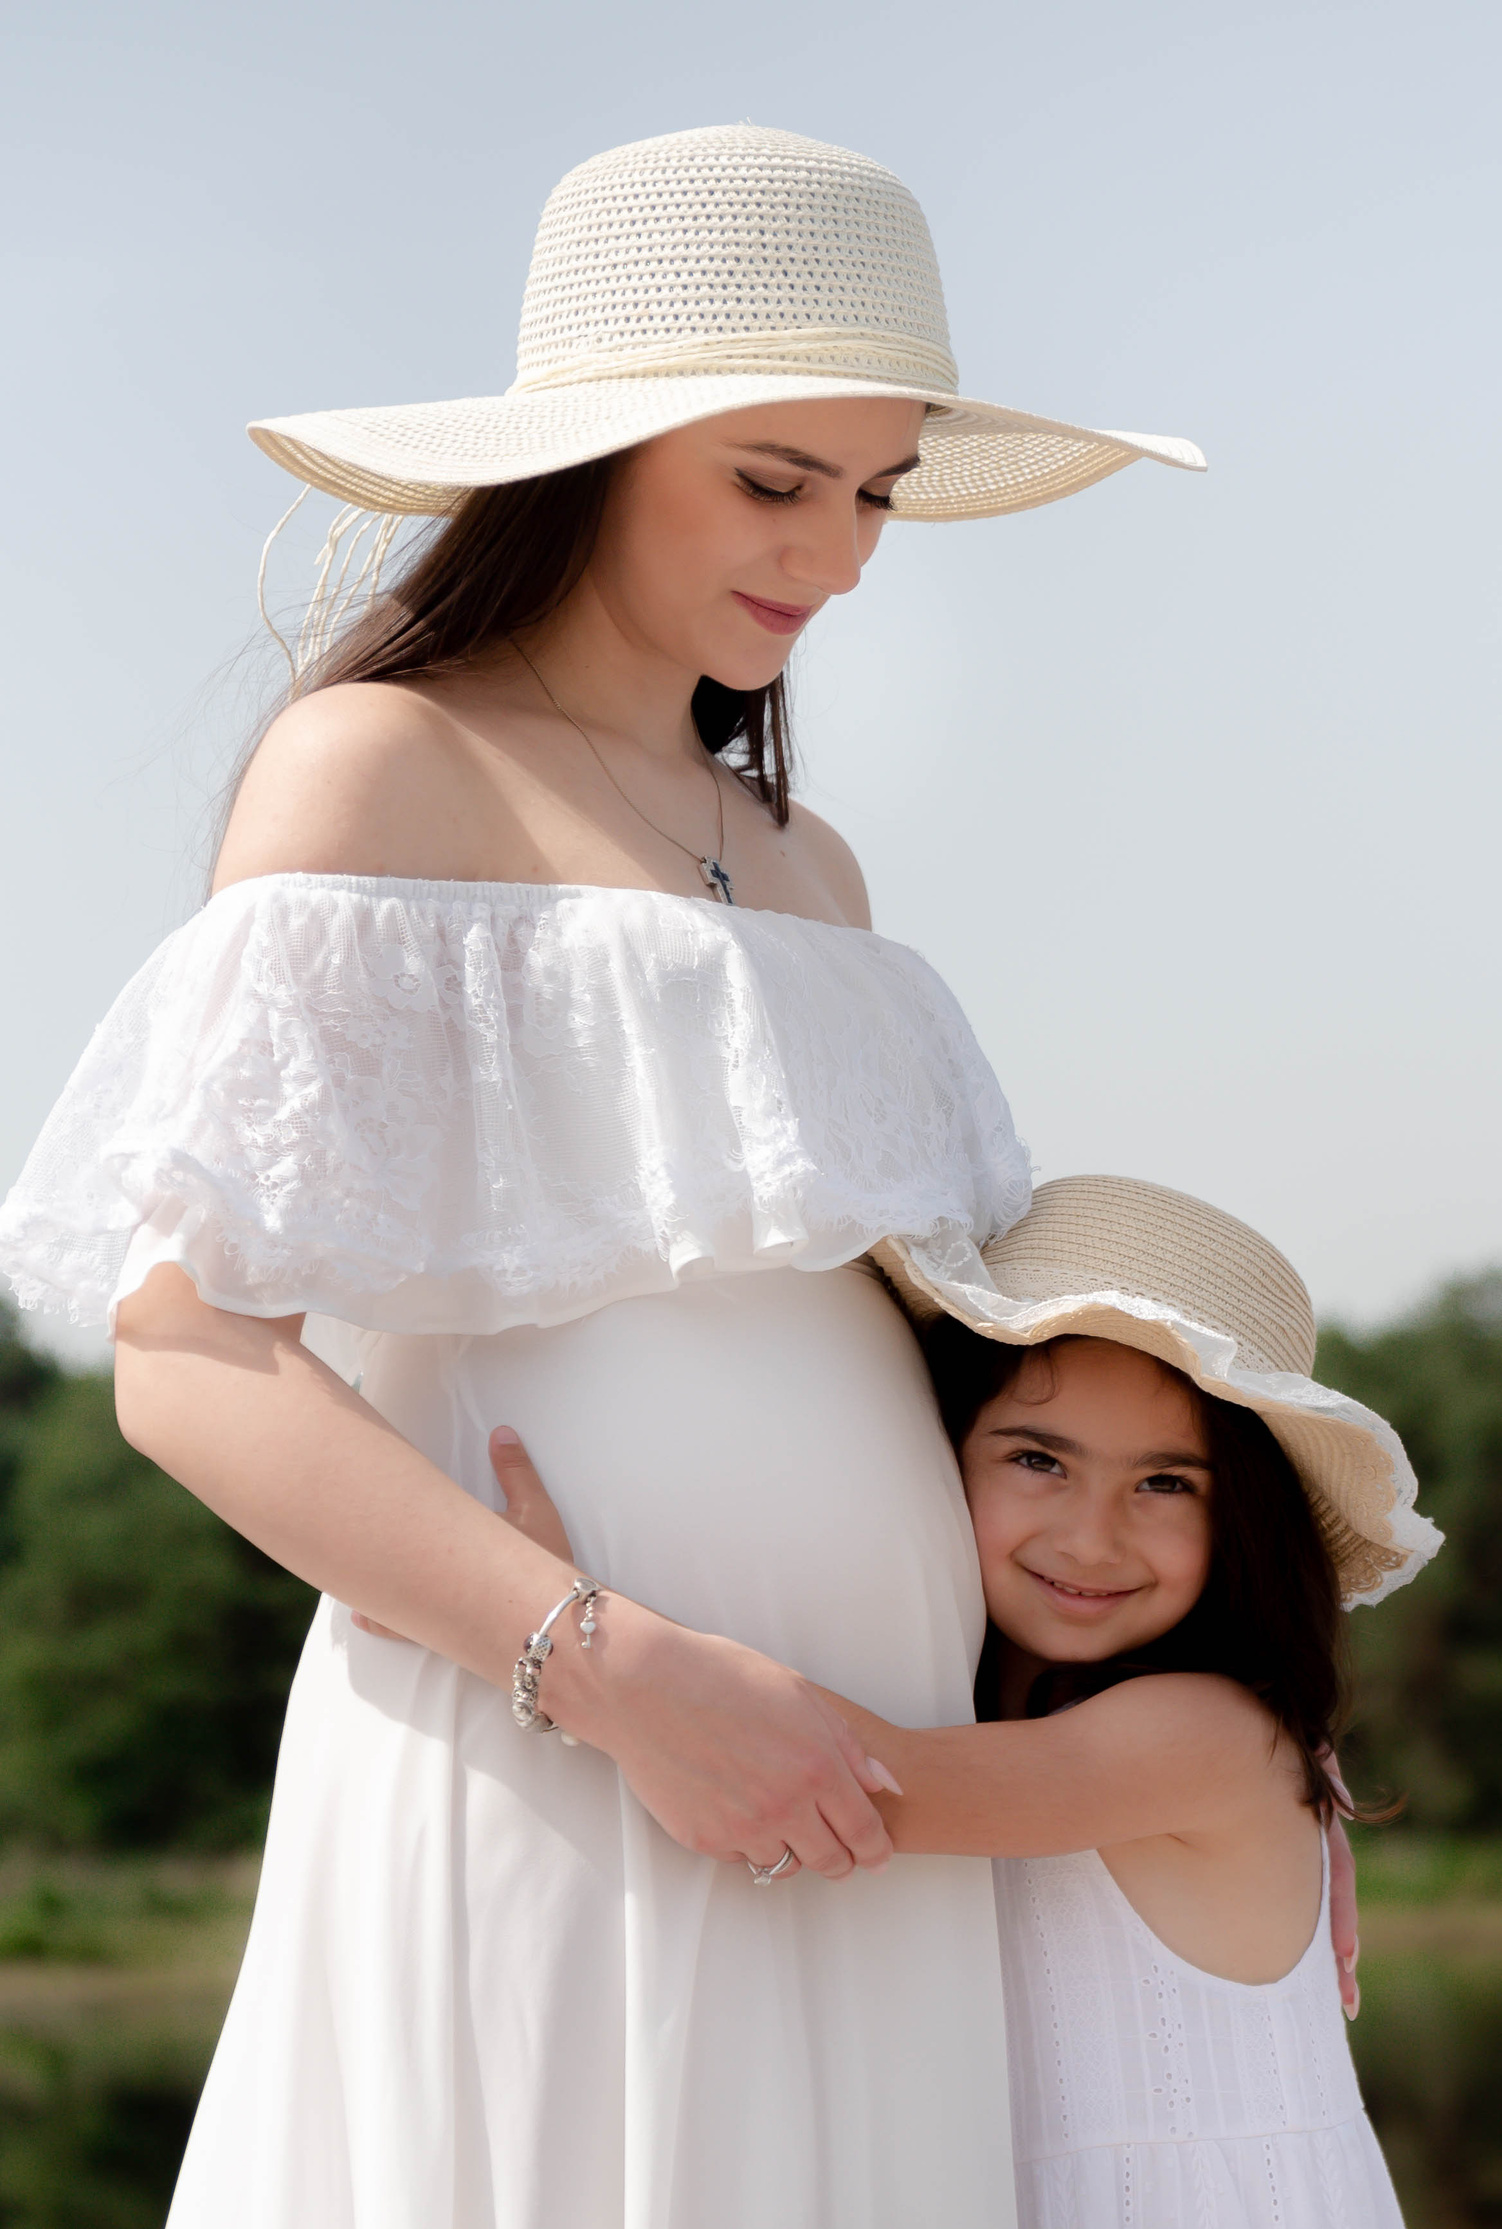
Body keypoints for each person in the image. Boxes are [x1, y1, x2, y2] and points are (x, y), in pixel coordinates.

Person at [0, 126, 1202, 2227]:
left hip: (871, 1791)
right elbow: (185, 1358)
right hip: (559, 1752)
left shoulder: (819, 868)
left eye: (876, 493)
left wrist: (1225, 1749)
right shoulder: (387, 764)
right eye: (772, 479)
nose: (836, 556)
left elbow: (969, 1377)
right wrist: (610, 1665)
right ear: (592, 450)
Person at [478, 1176, 1441, 2228]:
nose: (1090, 1537)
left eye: (1166, 1483)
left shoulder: (1209, 1736)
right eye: (1038, 1460)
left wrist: (566, 1627)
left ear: (1246, 1523)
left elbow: (852, 1781)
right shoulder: (986, 1708)